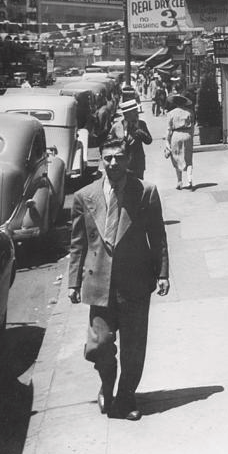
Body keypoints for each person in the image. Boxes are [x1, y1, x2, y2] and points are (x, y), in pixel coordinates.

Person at [66, 138, 170, 421]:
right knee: (99, 345)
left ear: (128, 160)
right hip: (99, 282)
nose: (113, 163)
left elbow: (158, 236)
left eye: (119, 157)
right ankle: (107, 384)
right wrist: (73, 282)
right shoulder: (84, 196)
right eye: (108, 158)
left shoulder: (145, 192)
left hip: (135, 283)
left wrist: (162, 273)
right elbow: (77, 244)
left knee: (134, 348)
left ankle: (126, 398)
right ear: (101, 160)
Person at [108, 99, 153, 180]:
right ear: (126, 114)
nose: (136, 113)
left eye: (136, 110)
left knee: (138, 187)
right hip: (122, 164)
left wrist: (138, 130)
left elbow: (149, 141)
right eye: (134, 111)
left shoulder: (141, 124)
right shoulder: (116, 127)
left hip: (138, 164)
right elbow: (109, 144)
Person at [165, 93, 195, 190]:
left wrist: (167, 141)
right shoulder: (189, 112)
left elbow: (169, 129)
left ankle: (179, 181)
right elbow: (192, 126)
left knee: (177, 158)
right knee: (188, 157)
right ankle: (189, 180)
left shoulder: (171, 113)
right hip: (187, 135)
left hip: (176, 135)